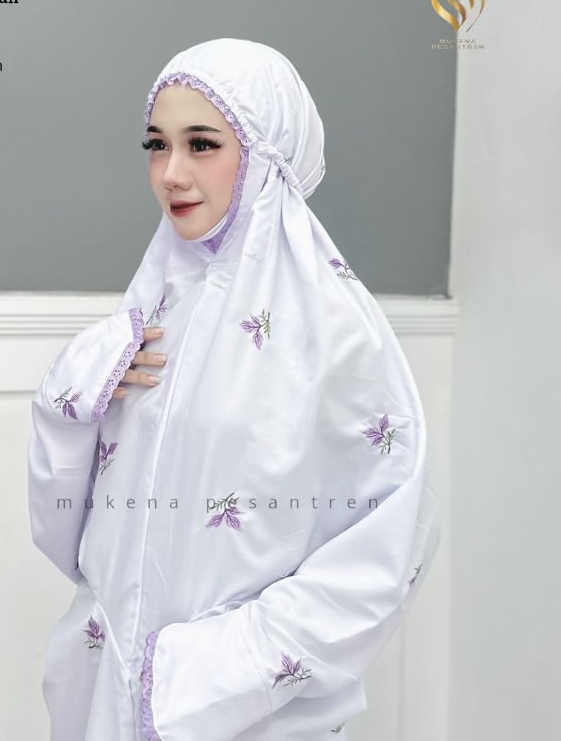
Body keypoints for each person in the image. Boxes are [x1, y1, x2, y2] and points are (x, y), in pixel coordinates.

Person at [27, 38, 441, 741]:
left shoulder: (337, 331)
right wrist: (67, 402)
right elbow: (75, 530)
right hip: (108, 693)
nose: (171, 173)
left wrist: (216, 669)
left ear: (264, 155)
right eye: (157, 145)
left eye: (202, 144)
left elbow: (393, 542)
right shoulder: (147, 316)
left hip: (247, 712)